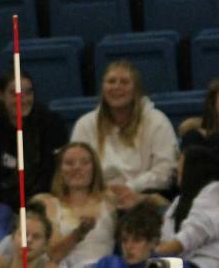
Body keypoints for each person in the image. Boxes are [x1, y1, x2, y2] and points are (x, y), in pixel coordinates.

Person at [71, 60, 178, 207]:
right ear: (103, 88)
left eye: (124, 82)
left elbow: (165, 172)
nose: (116, 87)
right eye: (111, 81)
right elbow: (74, 168)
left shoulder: (157, 121)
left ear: (136, 89)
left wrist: (130, 187)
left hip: (142, 199)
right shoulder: (85, 124)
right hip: (97, 200)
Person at [156, 141, 219, 268]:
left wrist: (151, 255)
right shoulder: (178, 201)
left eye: (181, 162)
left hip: (208, 265)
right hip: (179, 262)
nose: (177, 168)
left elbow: (193, 233)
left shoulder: (217, 190)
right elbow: (164, 236)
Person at [0, 70, 62, 205]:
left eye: (28, 93)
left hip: (43, 201)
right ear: (1, 95)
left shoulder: (51, 123)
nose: (24, 100)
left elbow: (52, 171)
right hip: (1, 204)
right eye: (15, 94)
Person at [34, 141, 116, 268]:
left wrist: (144, 198)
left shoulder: (110, 199)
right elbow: (54, 254)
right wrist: (79, 233)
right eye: (69, 163)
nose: (77, 168)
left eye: (84, 162)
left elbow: (156, 202)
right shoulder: (50, 203)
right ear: (60, 170)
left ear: (94, 168)